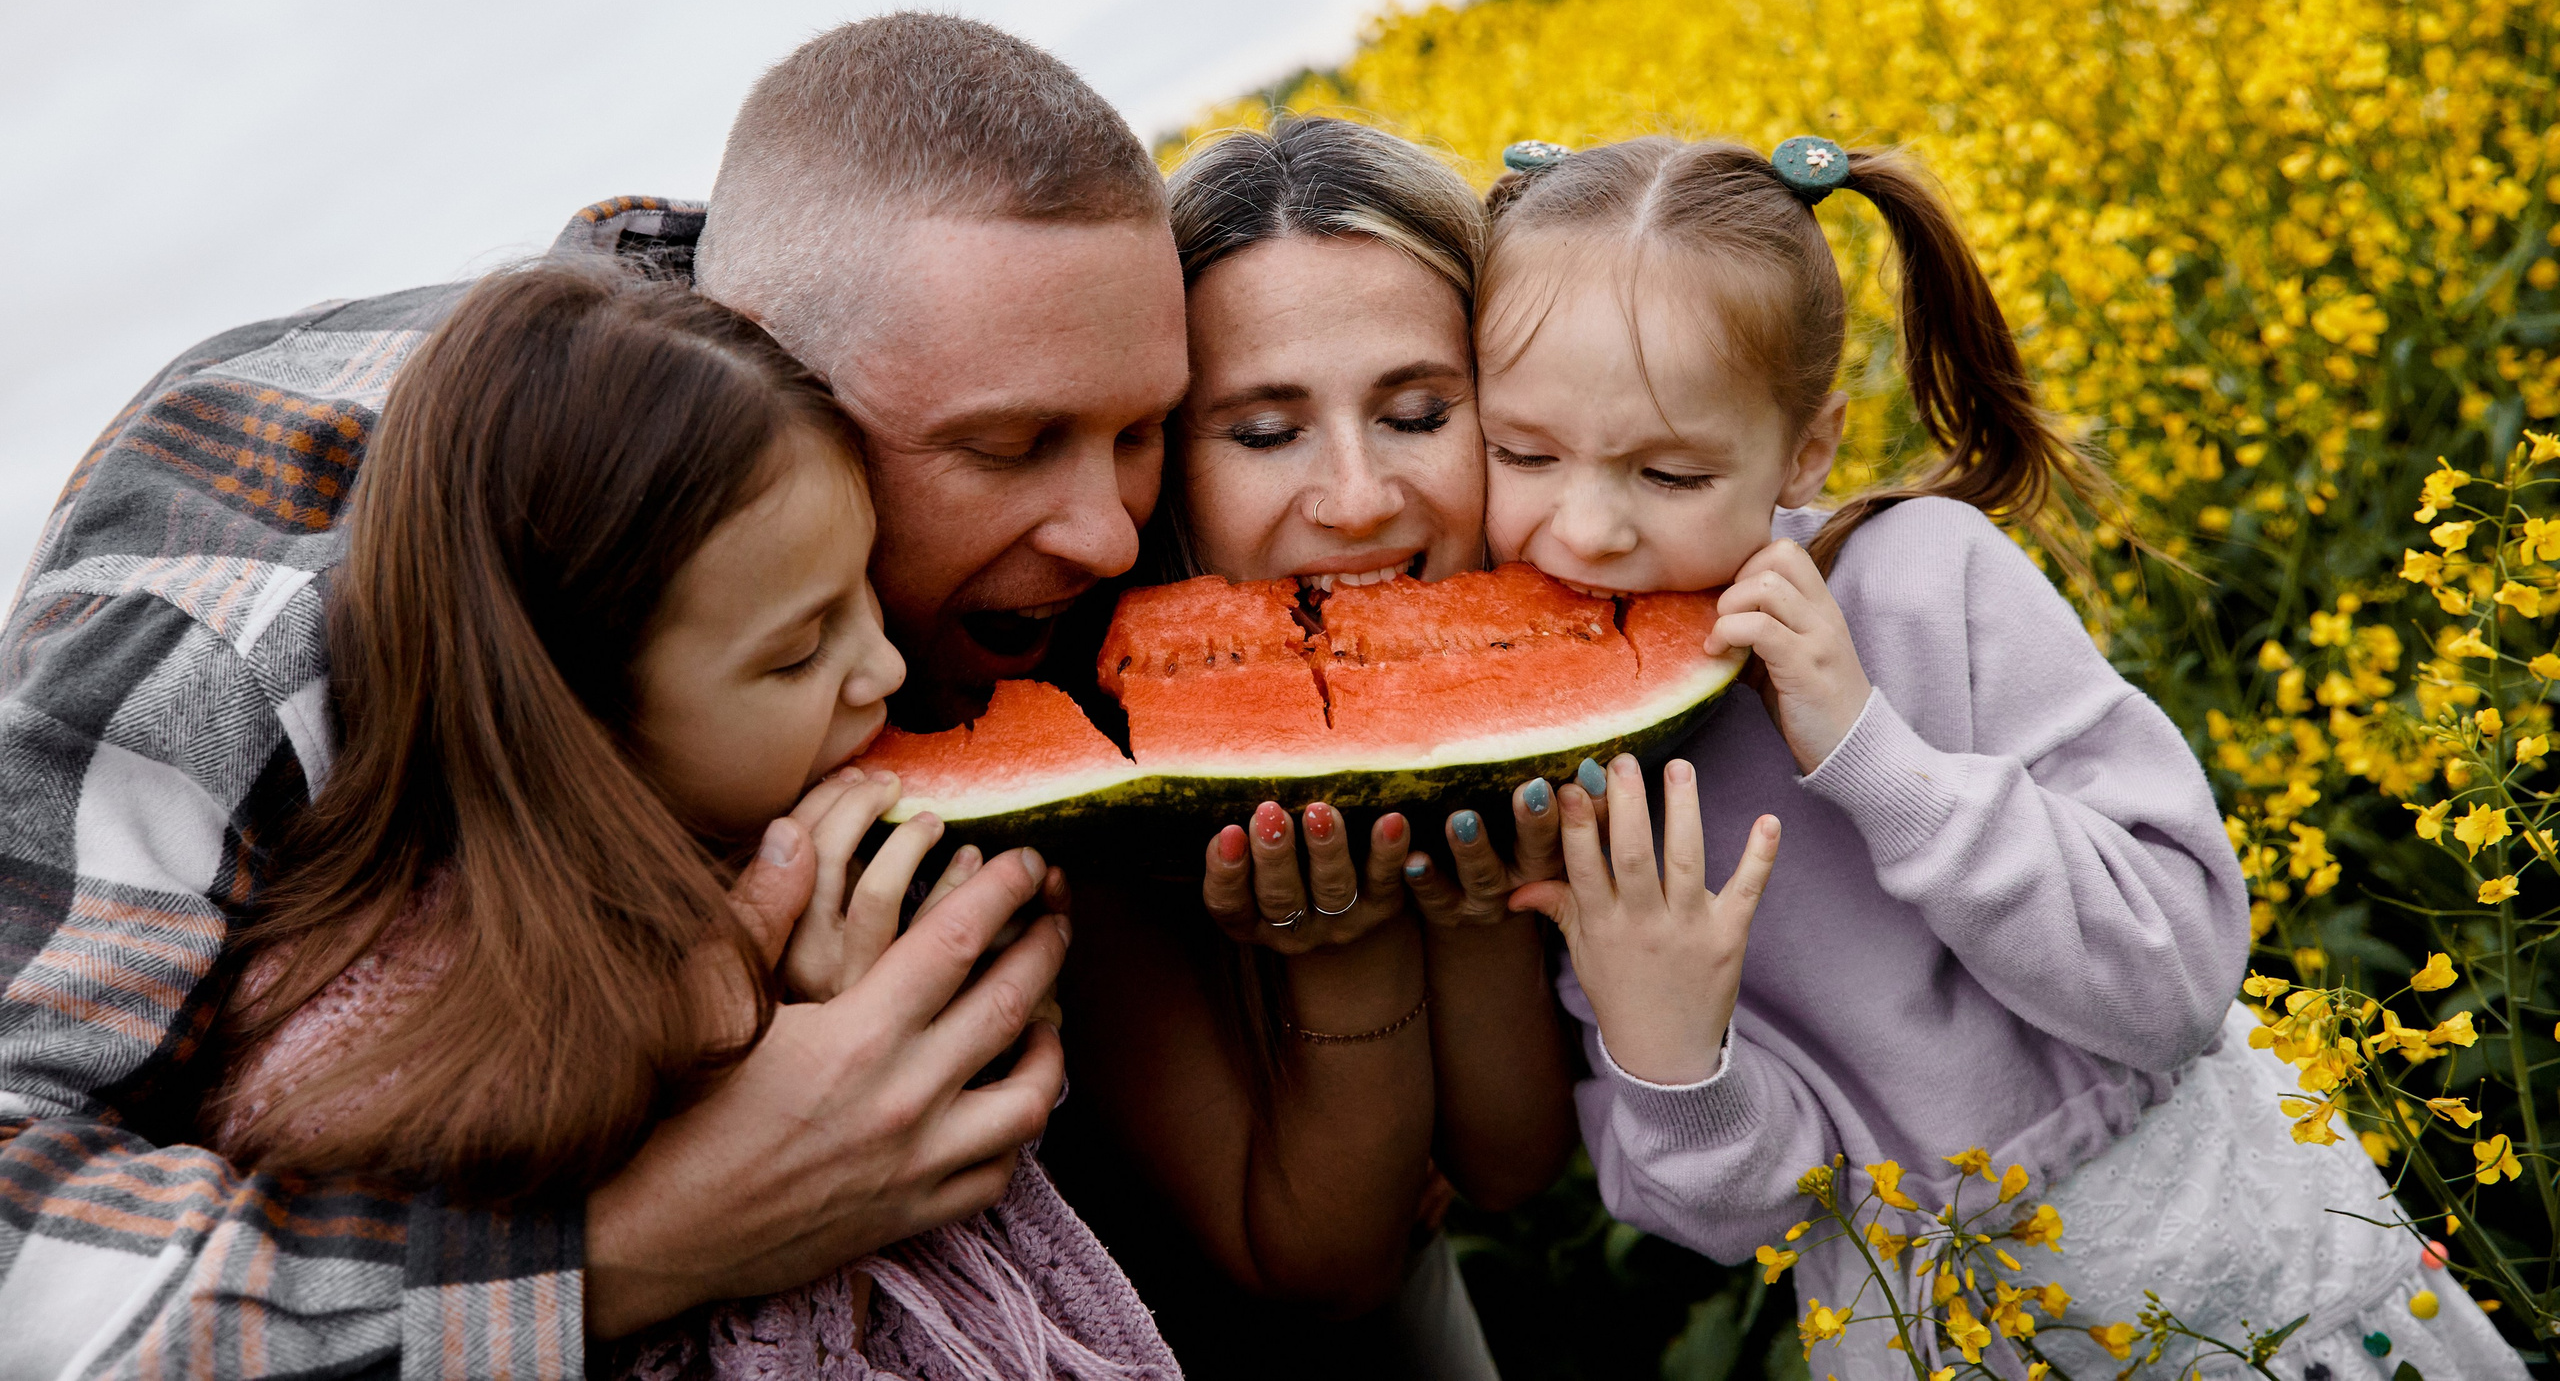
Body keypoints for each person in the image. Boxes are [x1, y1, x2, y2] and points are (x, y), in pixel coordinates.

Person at [0, 13, 1187, 1375]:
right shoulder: (239, 627)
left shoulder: (988, 345)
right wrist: (638, 1241)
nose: (1106, 534)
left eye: (1145, 429)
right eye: (1009, 446)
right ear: (772, 388)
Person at [1477, 135, 2526, 1378]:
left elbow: (2176, 981)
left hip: (2223, 1271)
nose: (1587, 530)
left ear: (1806, 449)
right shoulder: (1556, 763)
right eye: (1522, 455)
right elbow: (1743, 1217)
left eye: (1670, 472)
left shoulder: (1926, 579)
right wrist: (1670, 1054)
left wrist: (1873, 756)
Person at [201, 261, 1173, 1381]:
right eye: (802, 650)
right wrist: (768, 1040)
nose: (885, 666)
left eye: (865, 587)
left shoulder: (764, 831)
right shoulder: (388, 1060)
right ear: (580, 714)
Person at [1048, 116, 1578, 1380]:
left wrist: (1462, 914)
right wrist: (1338, 958)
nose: (1355, 500)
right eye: (1266, 433)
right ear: (1168, 466)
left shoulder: (1534, 680)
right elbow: (1323, 1272)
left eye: (1414, 411)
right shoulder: (1098, 777)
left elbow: (1512, 1167)